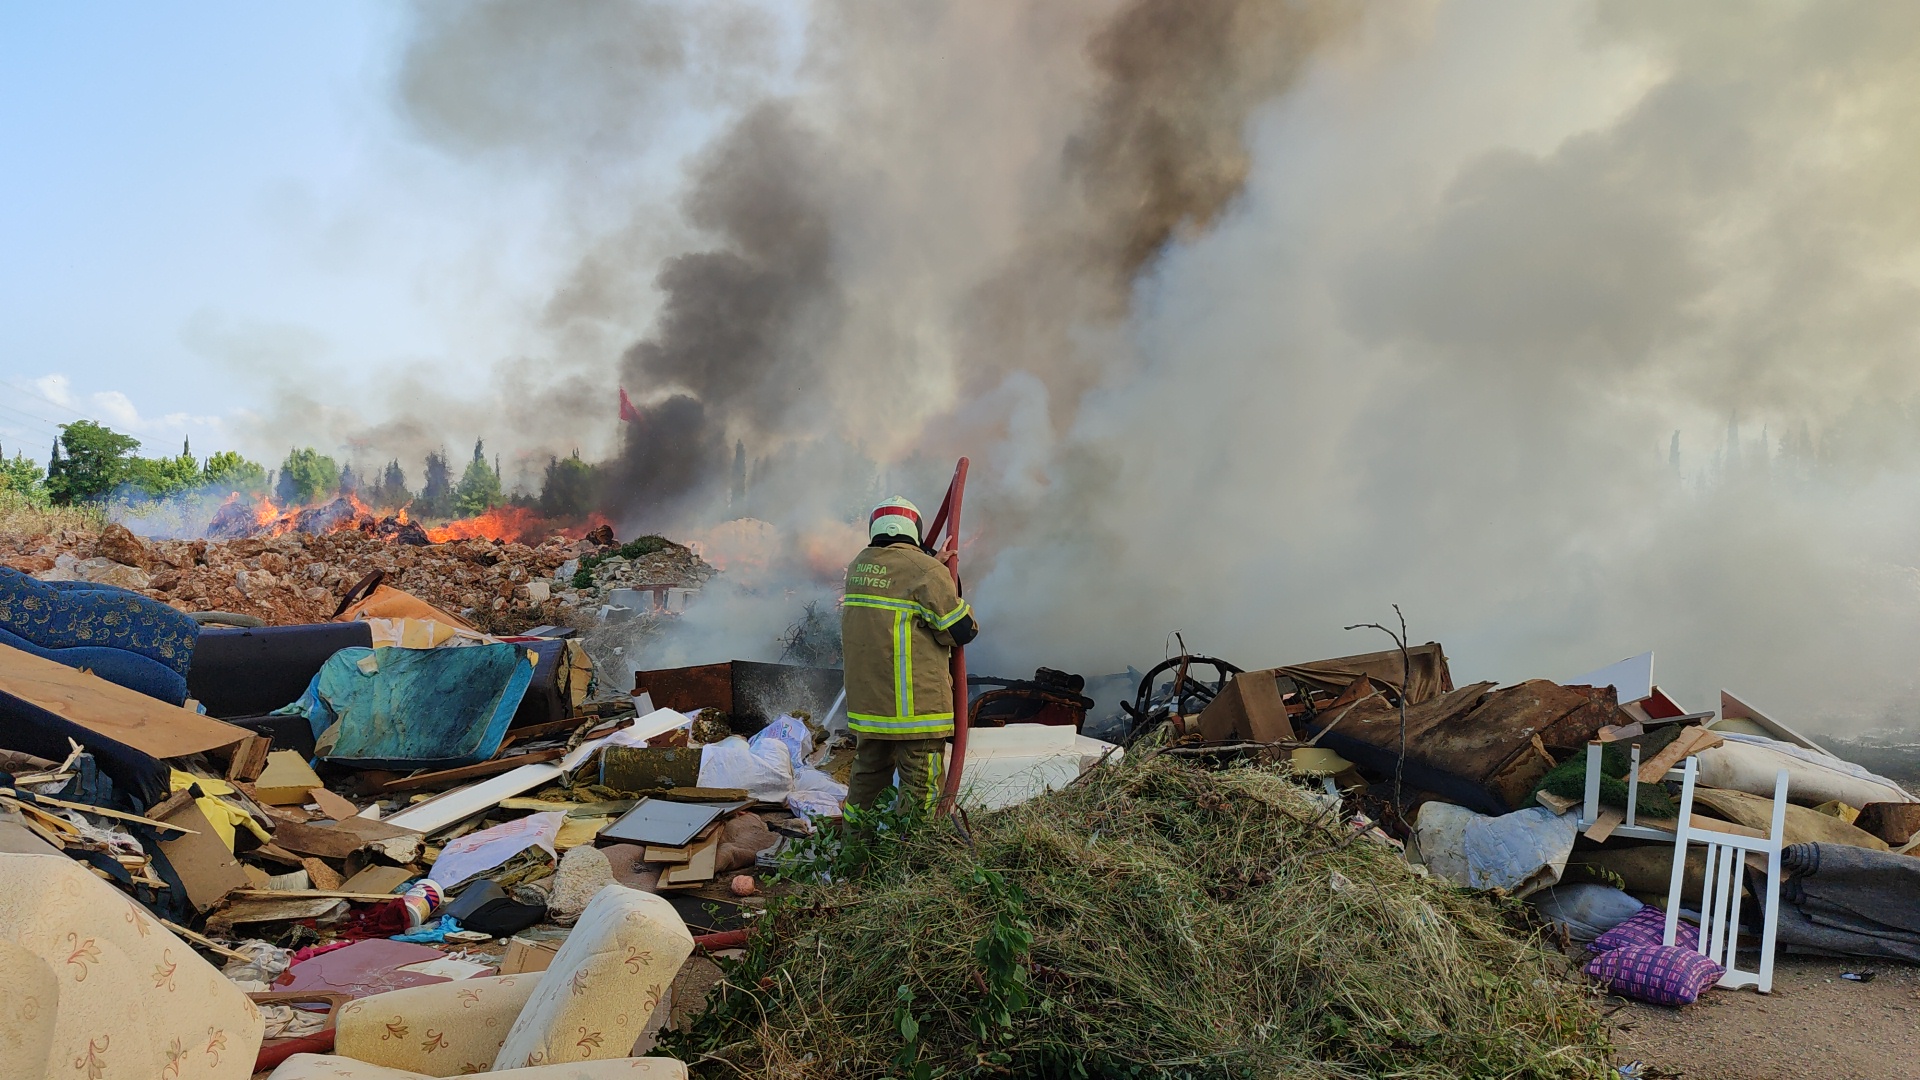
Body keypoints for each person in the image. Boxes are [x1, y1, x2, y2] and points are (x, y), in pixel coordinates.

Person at [841, 495, 979, 812]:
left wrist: (932, 564)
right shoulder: (927, 572)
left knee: (866, 786)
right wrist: (941, 574)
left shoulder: (858, 568)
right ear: (915, 528)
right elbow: (961, 631)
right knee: (923, 795)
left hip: (871, 711)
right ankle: (915, 859)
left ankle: (859, 855)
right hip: (916, 712)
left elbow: (899, 578)